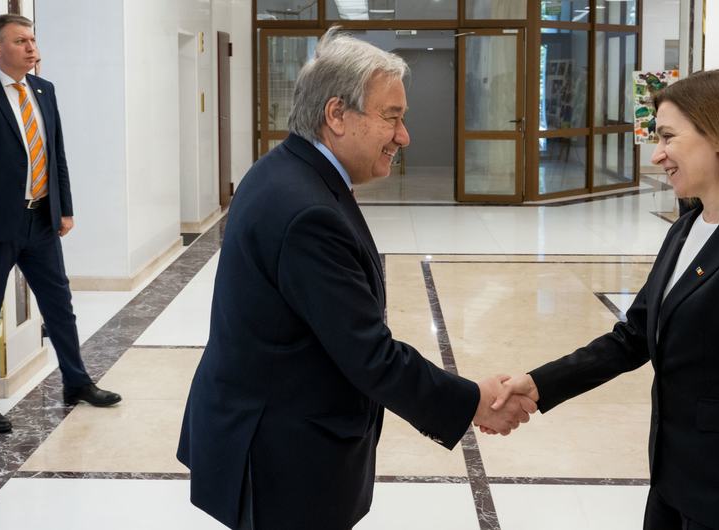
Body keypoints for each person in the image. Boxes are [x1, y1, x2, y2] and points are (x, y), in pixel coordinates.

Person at [176, 28, 535, 530]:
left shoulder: (283, 171)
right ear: (337, 115)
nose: (404, 136)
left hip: (262, 428)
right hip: (281, 454)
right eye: (392, 117)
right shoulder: (306, 211)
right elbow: (370, 355)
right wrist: (471, 399)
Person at [492, 70, 719, 530]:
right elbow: (631, 338)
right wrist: (539, 383)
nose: (657, 154)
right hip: (671, 483)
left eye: (668, 137)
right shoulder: (687, 228)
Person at [0, 14, 121, 434]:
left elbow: (54, 152)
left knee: (60, 306)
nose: (30, 46)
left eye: (32, 39)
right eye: (20, 40)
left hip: (40, 220)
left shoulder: (44, 89)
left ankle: (76, 382)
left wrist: (64, 207)